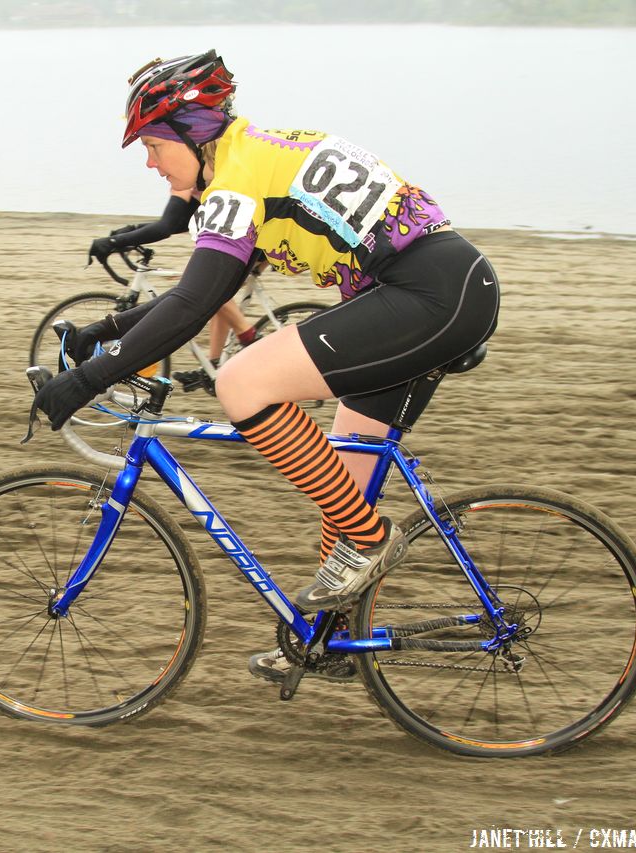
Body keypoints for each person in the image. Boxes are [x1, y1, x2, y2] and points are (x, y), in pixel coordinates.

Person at [31, 51, 500, 685]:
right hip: (440, 286)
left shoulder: (238, 173)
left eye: (151, 145)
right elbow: (190, 292)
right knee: (343, 488)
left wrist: (88, 380)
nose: (147, 160)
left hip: (426, 295)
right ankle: (328, 642)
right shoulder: (250, 152)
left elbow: (196, 304)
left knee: (242, 381)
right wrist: (100, 333)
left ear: (193, 134)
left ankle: (368, 538)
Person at [87, 199, 260, 394]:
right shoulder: (199, 179)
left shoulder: (193, 182)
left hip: (250, 240)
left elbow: (166, 227)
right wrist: (132, 230)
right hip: (249, 237)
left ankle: (249, 337)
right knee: (215, 295)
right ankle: (213, 364)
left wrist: (117, 241)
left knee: (206, 289)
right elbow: (181, 222)